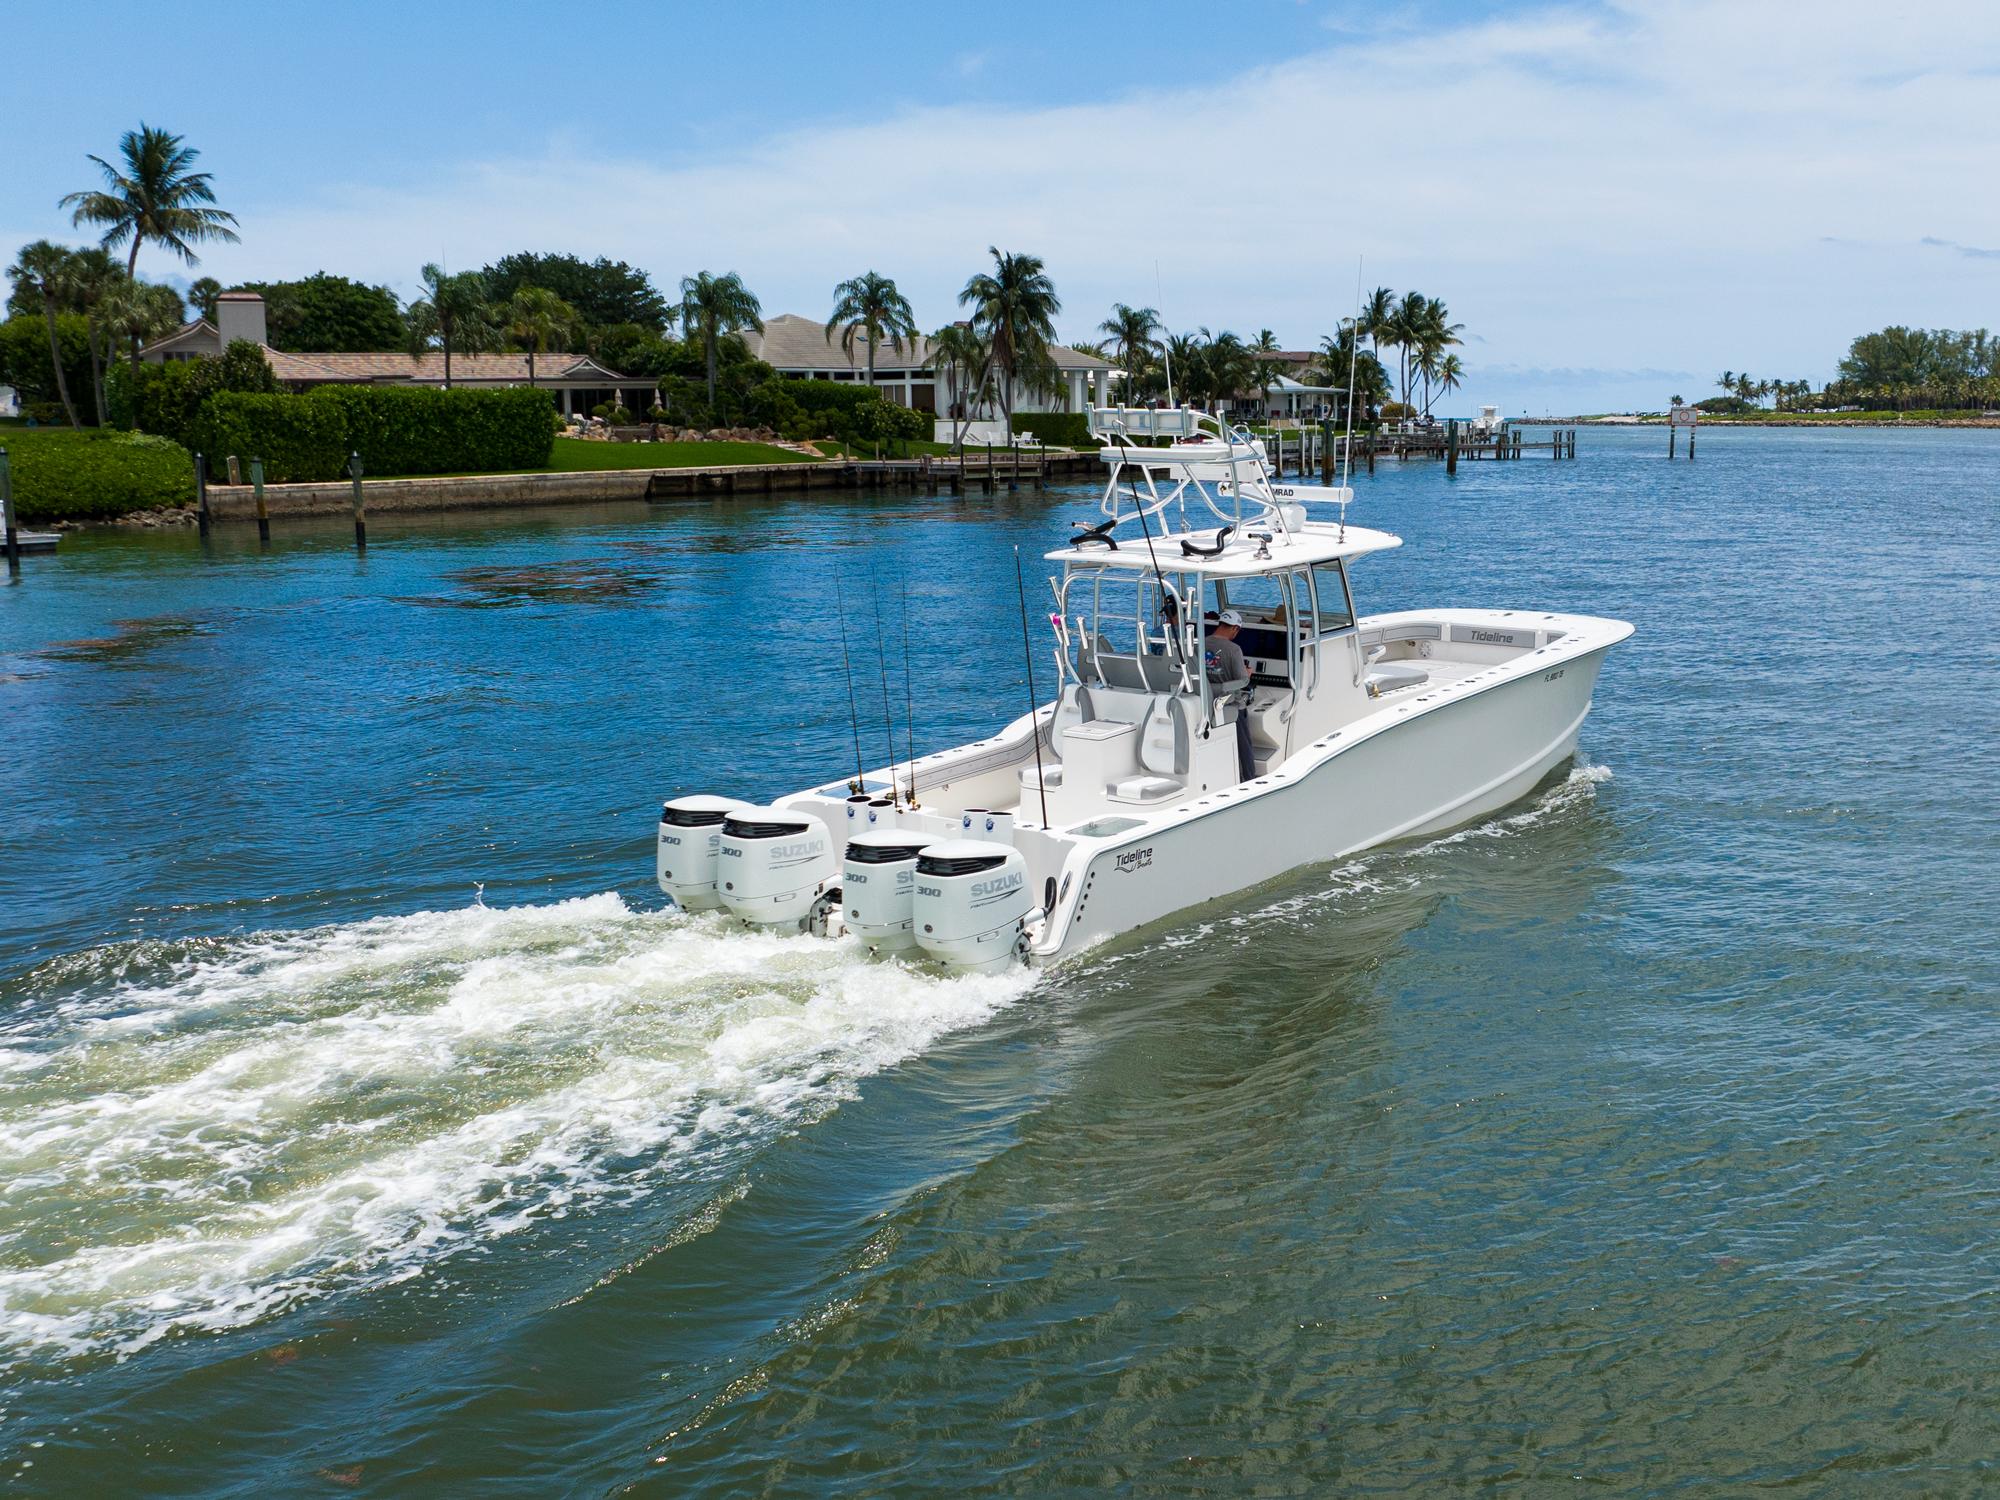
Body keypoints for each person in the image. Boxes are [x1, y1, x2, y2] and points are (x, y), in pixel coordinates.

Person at [1204, 609, 1256, 780]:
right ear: (1234, 629)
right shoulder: (1234, 650)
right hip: (1229, 703)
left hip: (1206, 701)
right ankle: (1249, 778)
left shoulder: (1201, 644)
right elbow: (1242, 681)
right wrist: (1247, 673)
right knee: (1245, 746)